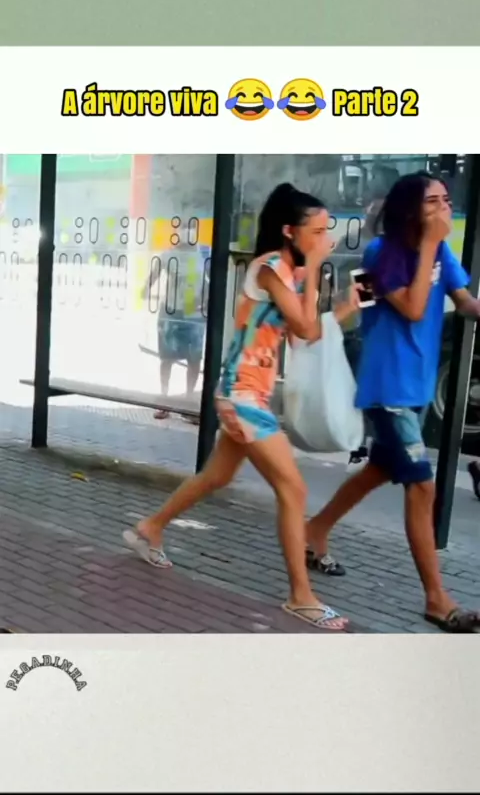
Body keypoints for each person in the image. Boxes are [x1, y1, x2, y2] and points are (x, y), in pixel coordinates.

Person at [124, 183, 359, 631]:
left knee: (216, 476)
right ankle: (301, 596)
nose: (325, 238)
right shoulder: (269, 268)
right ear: (289, 231)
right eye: (318, 231)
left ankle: (149, 528)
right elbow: (304, 328)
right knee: (294, 489)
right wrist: (314, 268)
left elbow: (305, 335)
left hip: (249, 394)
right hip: (242, 395)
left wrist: (343, 305)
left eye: (326, 231)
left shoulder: (290, 274)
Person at [305, 171, 480, 633]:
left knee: (380, 469)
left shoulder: (439, 250)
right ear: (409, 209)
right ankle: (436, 599)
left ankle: (314, 529)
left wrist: (440, 254)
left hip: (417, 387)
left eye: (447, 199)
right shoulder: (382, 253)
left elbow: (464, 301)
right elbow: (414, 308)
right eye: (433, 202)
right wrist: (431, 245)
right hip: (388, 388)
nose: (444, 209)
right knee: (421, 487)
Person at [143, 236, 208, 425]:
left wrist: (206, 302)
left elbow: (210, 281)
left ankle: (188, 402)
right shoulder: (168, 255)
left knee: (194, 358)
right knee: (167, 357)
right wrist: (145, 290)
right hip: (171, 311)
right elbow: (152, 276)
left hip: (194, 312)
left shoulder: (204, 254)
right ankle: (164, 401)